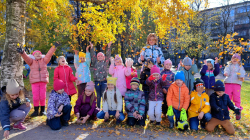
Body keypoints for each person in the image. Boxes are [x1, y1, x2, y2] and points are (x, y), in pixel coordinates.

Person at [17, 45, 57, 117]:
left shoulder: (44, 60)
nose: (38, 55)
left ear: (41, 55)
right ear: (33, 56)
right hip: (34, 82)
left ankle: (42, 110)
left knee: (42, 96)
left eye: (39, 54)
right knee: (35, 97)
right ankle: (36, 111)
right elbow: (26, 57)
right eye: (36, 54)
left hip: (43, 81)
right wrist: (22, 52)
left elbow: (49, 54)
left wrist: (53, 47)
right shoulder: (31, 61)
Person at [90, 41, 112, 108]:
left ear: (103, 57)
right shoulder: (95, 62)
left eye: (101, 56)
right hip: (97, 81)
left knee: (103, 95)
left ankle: (104, 108)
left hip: (104, 81)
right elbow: (92, 55)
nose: (99, 57)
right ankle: (98, 108)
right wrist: (92, 47)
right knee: (98, 95)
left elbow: (108, 56)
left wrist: (108, 47)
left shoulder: (105, 62)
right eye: (98, 56)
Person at [224, 53, 245, 120]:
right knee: (227, 97)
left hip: (236, 84)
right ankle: (226, 111)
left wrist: (241, 77)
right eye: (233, 58)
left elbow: (241, 73)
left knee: (236, 97)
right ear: (231, 59)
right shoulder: (228, 66)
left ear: (239, 60)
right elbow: (226, 70)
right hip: (228, 83)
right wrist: (226, 73)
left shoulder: (240, 66)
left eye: (236, 58)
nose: (235, 59)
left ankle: (237, 111)